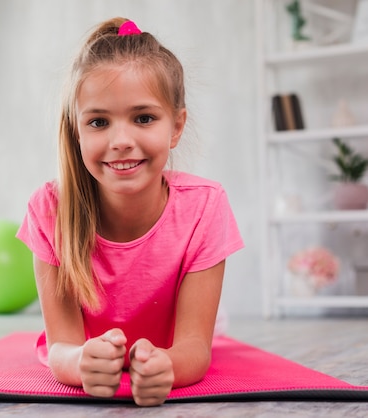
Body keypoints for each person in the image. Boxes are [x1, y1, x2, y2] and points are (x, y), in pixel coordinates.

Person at [17, 17, 244, 407]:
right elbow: (62, 348)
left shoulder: (206, 206)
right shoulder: (49, 210)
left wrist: (167, 365)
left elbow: (193, 347)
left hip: (177, 335)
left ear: (176, 127)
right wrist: (81, 362)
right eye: (99, 122)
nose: (121, 141)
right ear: (76, 130)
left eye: (143, 118)